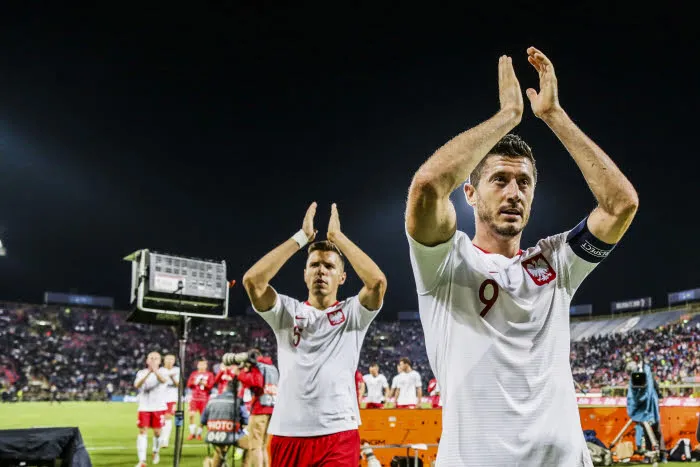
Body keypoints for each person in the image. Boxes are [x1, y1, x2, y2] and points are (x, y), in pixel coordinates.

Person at [405, 47, 638, 466]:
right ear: (470, 193)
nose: (514, 192)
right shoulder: (445, 263)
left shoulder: (557, 262)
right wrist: (508, 117)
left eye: (524, 182)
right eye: (499, 179)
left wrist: (554, 116)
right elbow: (427, 187)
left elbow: (621, 205)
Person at [242, 202, 387, 466]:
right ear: (305, 274)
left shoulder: (353, 313)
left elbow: (377, 283)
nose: (321, 270)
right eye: (315, 265)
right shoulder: (286, 311)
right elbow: (253, 281)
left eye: (329, 266)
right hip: (288, 433)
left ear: (342, 277)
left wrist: (337, 238)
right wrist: (301, 238)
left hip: (338, 433)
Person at [235, 349, 278, 467]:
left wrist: (240, 374)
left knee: (255, 446)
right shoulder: (272, 368)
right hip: (272, 409)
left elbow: (256, 382)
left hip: (260, 410)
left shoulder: (258, 367)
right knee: (263, 446)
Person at [201, 379, 251, 467]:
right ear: (238, 390)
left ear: (225, 388)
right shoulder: (238, 401)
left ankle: (215, 465)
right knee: (250, 446)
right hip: (231, 435)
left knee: (221, 448)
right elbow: (245, 420)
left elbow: (203, 420)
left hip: (213, 435)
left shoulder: (212, 400)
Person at [134, 351, 168, 467]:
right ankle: (142, 460)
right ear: (147, 360)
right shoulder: (141, 373)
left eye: (156, 358)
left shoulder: (164, 371)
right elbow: (137, 385)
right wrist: (149, 373)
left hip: (159, 407)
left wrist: (155, 371)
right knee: (142, 431)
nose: (153, 360)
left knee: (157, 432)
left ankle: (155, 451)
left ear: (160, 361)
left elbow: (163, 380)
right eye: (151, 358)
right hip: (144, 407)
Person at [187, 358, 215, 441]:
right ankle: (192, 433)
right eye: (200, 364)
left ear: (206, 365)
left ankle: (199, 433)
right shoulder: (194, 374)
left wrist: (204, 384)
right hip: (194, 398)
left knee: (203, 417)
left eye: (203, 364)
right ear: (197, 365)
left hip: (204, 398)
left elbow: (211, 386)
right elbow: (189, 384)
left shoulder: (209, 374)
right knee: (191, 415)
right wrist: (195, 382)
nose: (202, 366)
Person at [159, 354, 179, 448]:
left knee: (168, 417)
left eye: (172, 359)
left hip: (171, 398)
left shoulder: (177, 370)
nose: (170, 361)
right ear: (164, 360)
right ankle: (160, 437)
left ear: (174, 361)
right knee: (161, 419)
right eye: (168, 359)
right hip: (160, 398)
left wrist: (172, 377)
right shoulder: (160, 371)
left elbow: (178, 385)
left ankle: (165, 440)